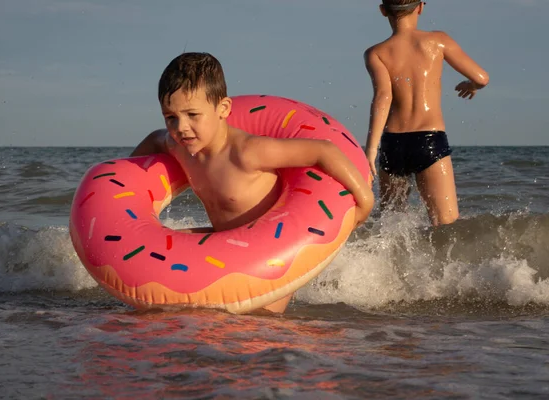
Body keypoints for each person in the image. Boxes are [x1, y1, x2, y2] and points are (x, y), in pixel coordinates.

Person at [131, 52, 374, 313]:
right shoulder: (177, 147)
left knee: (258, 326)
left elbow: (324, 151)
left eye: (192, 114)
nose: (182, 127)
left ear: (222, 109)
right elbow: (155, 139)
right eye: (171, 117)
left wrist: (365, 200)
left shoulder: (248, 151)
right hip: (222, 243)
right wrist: (125, 178)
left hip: (270, 256)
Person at [364, 0, 489, 226]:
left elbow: (383, 97)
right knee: (446, 225)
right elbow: (482, 78)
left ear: (383, 11)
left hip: (392, 144)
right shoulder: (437, 41)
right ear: (421, 7)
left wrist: (371, 150)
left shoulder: (376, 53)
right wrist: (472, 86)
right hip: (428, 140)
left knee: (390, 225)